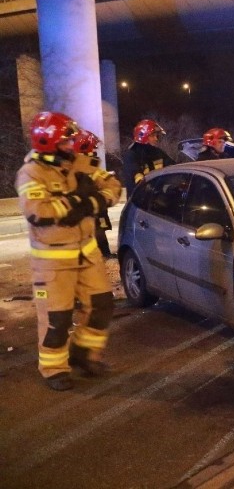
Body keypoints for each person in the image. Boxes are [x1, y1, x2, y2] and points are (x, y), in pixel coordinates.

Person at [15, 111, 122, 391]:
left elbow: (112, 185)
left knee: (101, 306)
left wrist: (96, 200)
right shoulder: (31, 173)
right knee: (56, 318)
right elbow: (39, 212)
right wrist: (78, 201)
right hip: (53, 262)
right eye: (66, 140)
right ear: (47, 142)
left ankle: (83, 355)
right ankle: (53, 368)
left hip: (87, 255)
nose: (72, 145)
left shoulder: (80, 163)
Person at [73, 129, 117, 258]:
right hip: (89, 210)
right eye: (93, 148)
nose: (95, 151)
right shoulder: (79, 169)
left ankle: (105, 252)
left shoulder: (89, 167)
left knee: (100, 230)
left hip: (98, 209)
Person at [122, 119, 175, 196]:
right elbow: (137, 178)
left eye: (156, 136)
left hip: (155, 200)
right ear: (143, 137)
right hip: (139, 203)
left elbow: (173, 167)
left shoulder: (158, 153)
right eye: (153, 136)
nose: (156, 139)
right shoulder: (131, 155)